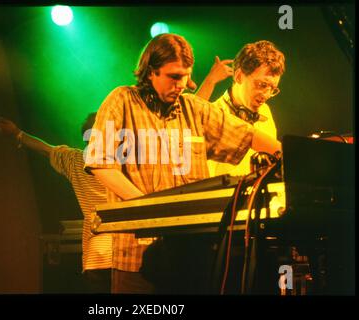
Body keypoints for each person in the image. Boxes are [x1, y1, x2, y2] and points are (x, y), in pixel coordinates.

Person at [84, 33, 282, 294]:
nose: (182, 84)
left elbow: (246, 134)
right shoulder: (121, 101)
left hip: (189, 256)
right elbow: (100, 163)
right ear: (150, 71)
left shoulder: (195, 109)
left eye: (186, 76)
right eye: (174, 76)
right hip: (137, 256)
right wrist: (151, 209)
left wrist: (285, 152)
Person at [0, 114, 112, 294]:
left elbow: (45, 149)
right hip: (123, 256)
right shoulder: (124, 164)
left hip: (95, 256)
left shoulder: (75, 160)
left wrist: (16, 133)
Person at [196, 40, 285, 177]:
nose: (266, 95)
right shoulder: (213, 114)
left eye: (272, 89)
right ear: (238, 76)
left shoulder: (265, 111)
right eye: (261, 85)